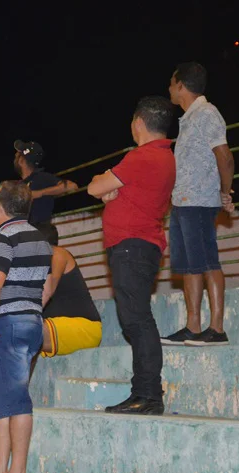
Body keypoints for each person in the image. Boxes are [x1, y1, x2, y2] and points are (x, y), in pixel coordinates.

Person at [86, 96, 176, 415]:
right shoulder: (163, 157)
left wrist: (109, 190)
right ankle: (146, 392)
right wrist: (113, 192)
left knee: (137, 320)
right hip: (139, 245)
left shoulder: (141, 157)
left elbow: (94, 188)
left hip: (132, 246)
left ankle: (148, 394)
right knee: (135, 319)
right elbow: (110, 190)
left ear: (139, 122)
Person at [0, 180, 51, 473]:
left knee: (15, 400)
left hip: (5, 322)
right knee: (2, 399)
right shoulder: (41, 240)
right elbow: (43, 289)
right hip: (31, 320)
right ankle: (0, 467)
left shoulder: (4, 236)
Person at [161, 62, 234, 346]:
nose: (168, 88)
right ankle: (193, 326)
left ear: (181, 85)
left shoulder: (206, 113)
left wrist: (224, 192)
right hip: (182, 202)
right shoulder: (189, 118)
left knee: (206, 261)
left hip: (201, 201)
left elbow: (225, 157)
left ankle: (217, 329)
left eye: (171, 82)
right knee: (189, 265)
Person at [0, 142, 79, 226]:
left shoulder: (41, 177)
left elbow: (72, 186)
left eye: (16, 157)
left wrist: (39, 193)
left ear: (22, 161)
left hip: (39, 232)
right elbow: (1, 202)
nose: (14, 160)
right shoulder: (19, 185)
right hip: (24, 234)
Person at [35, 223, 102, 358]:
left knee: (20, 329)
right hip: (56, 329)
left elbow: (46, 290)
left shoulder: (57, 253)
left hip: (83, 328)